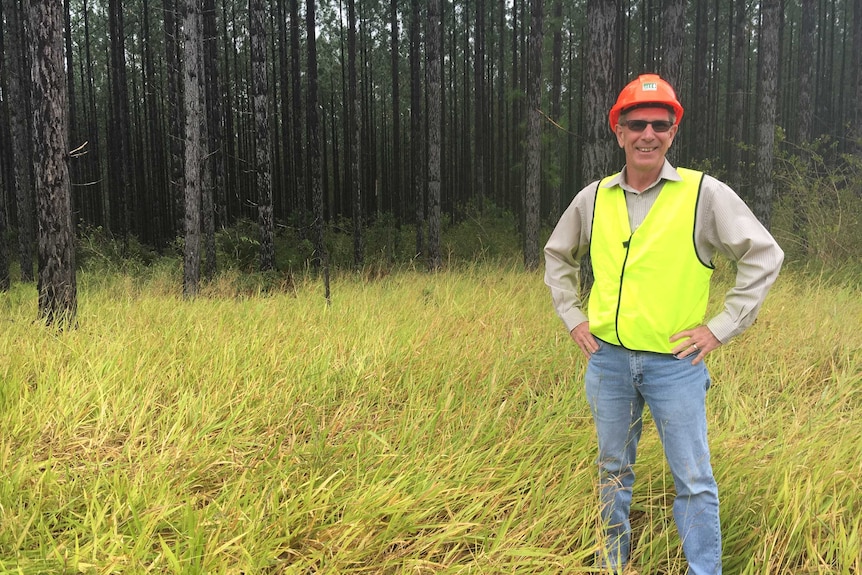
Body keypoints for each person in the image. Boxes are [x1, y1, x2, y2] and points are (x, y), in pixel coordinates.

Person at [543, 74, 784, 574]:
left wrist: (719, 328)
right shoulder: (593, 198)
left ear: (673, 131)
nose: (647, 134)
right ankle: (610, 563)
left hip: (676, 365)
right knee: (613, 471)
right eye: (636, 124)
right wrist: (572, 316)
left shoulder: (704, 193)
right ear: (619, 131)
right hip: (607, 361)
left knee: (693, 479)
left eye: (660, 123)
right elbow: (557, 255)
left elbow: (764, 255)